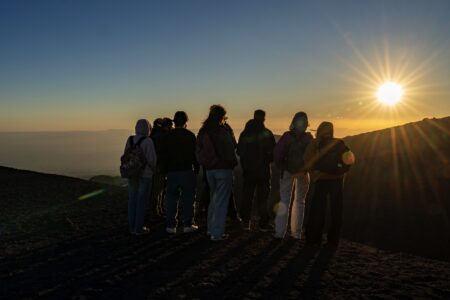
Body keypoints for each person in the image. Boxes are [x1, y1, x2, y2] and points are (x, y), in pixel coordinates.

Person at [304, 121, 355, 248]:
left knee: (317, 209)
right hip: (337, 180)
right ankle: (333, 240)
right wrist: (341, 172)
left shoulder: (315, 144)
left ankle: (313, 239)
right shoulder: (339, 143)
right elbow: (350, 160)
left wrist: (314, 173)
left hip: (321, 179)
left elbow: (307, 160)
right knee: (336, 210)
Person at [196, 105, 238, 241]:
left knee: (213, 200)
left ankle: (210, 229)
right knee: (221, 201)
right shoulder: (223, 131)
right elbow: (233, 146)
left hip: (209, 170)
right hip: (224, 169)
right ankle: (217, 233)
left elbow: (198, 148)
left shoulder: (203, 131)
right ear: (222, 117)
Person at [273, 112, 313, 239]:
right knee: (300, 201)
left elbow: (278, 153)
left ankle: (279, 232)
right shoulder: (308, 138)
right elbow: (313, 155)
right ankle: (296, 233)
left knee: (284, 201)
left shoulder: (286, 136)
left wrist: (281, 166)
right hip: (303, 173)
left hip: (287, 171)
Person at [160, 111, 199, 234]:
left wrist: (163, 170)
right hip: (187, 170)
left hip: (171, 172)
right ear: (186, 122)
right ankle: (188, 224)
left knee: (171, 199)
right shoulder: (190, 135)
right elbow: (195, 154)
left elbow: (163, 155)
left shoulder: (167, 136)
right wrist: (196, 168)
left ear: (174, 122)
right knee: (188, 199)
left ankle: (171, 226)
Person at [237, 110, 276, 231]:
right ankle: (263, 224)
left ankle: (245, 222)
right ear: (264, 118)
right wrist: (267, 159)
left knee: (247, 196)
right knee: (263, 198)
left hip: (249, 170)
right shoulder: (267, 133)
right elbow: (273, 153)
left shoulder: (245, 133)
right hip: (263, 171)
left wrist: (246, 163)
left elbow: (239, 151)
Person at [123, 119, 157, 235]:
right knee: (141, 202)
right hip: (145, 175)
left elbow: (125, 156)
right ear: (148, 128)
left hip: (132, 173)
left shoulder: (130, 139)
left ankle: (132, 227)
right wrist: (154, 170)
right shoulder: (148, 141)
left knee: (132, 200)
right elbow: (152, 160)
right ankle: (139, 228)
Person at [149, 118, 173, 217]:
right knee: (158, 190)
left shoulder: (155, 135)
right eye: (170, 126)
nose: (171, 128)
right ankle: (156, 210)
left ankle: (158, 209)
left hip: (158, 166)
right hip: (161, 166)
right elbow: (161, 153)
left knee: (159, 189)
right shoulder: (161, 137)